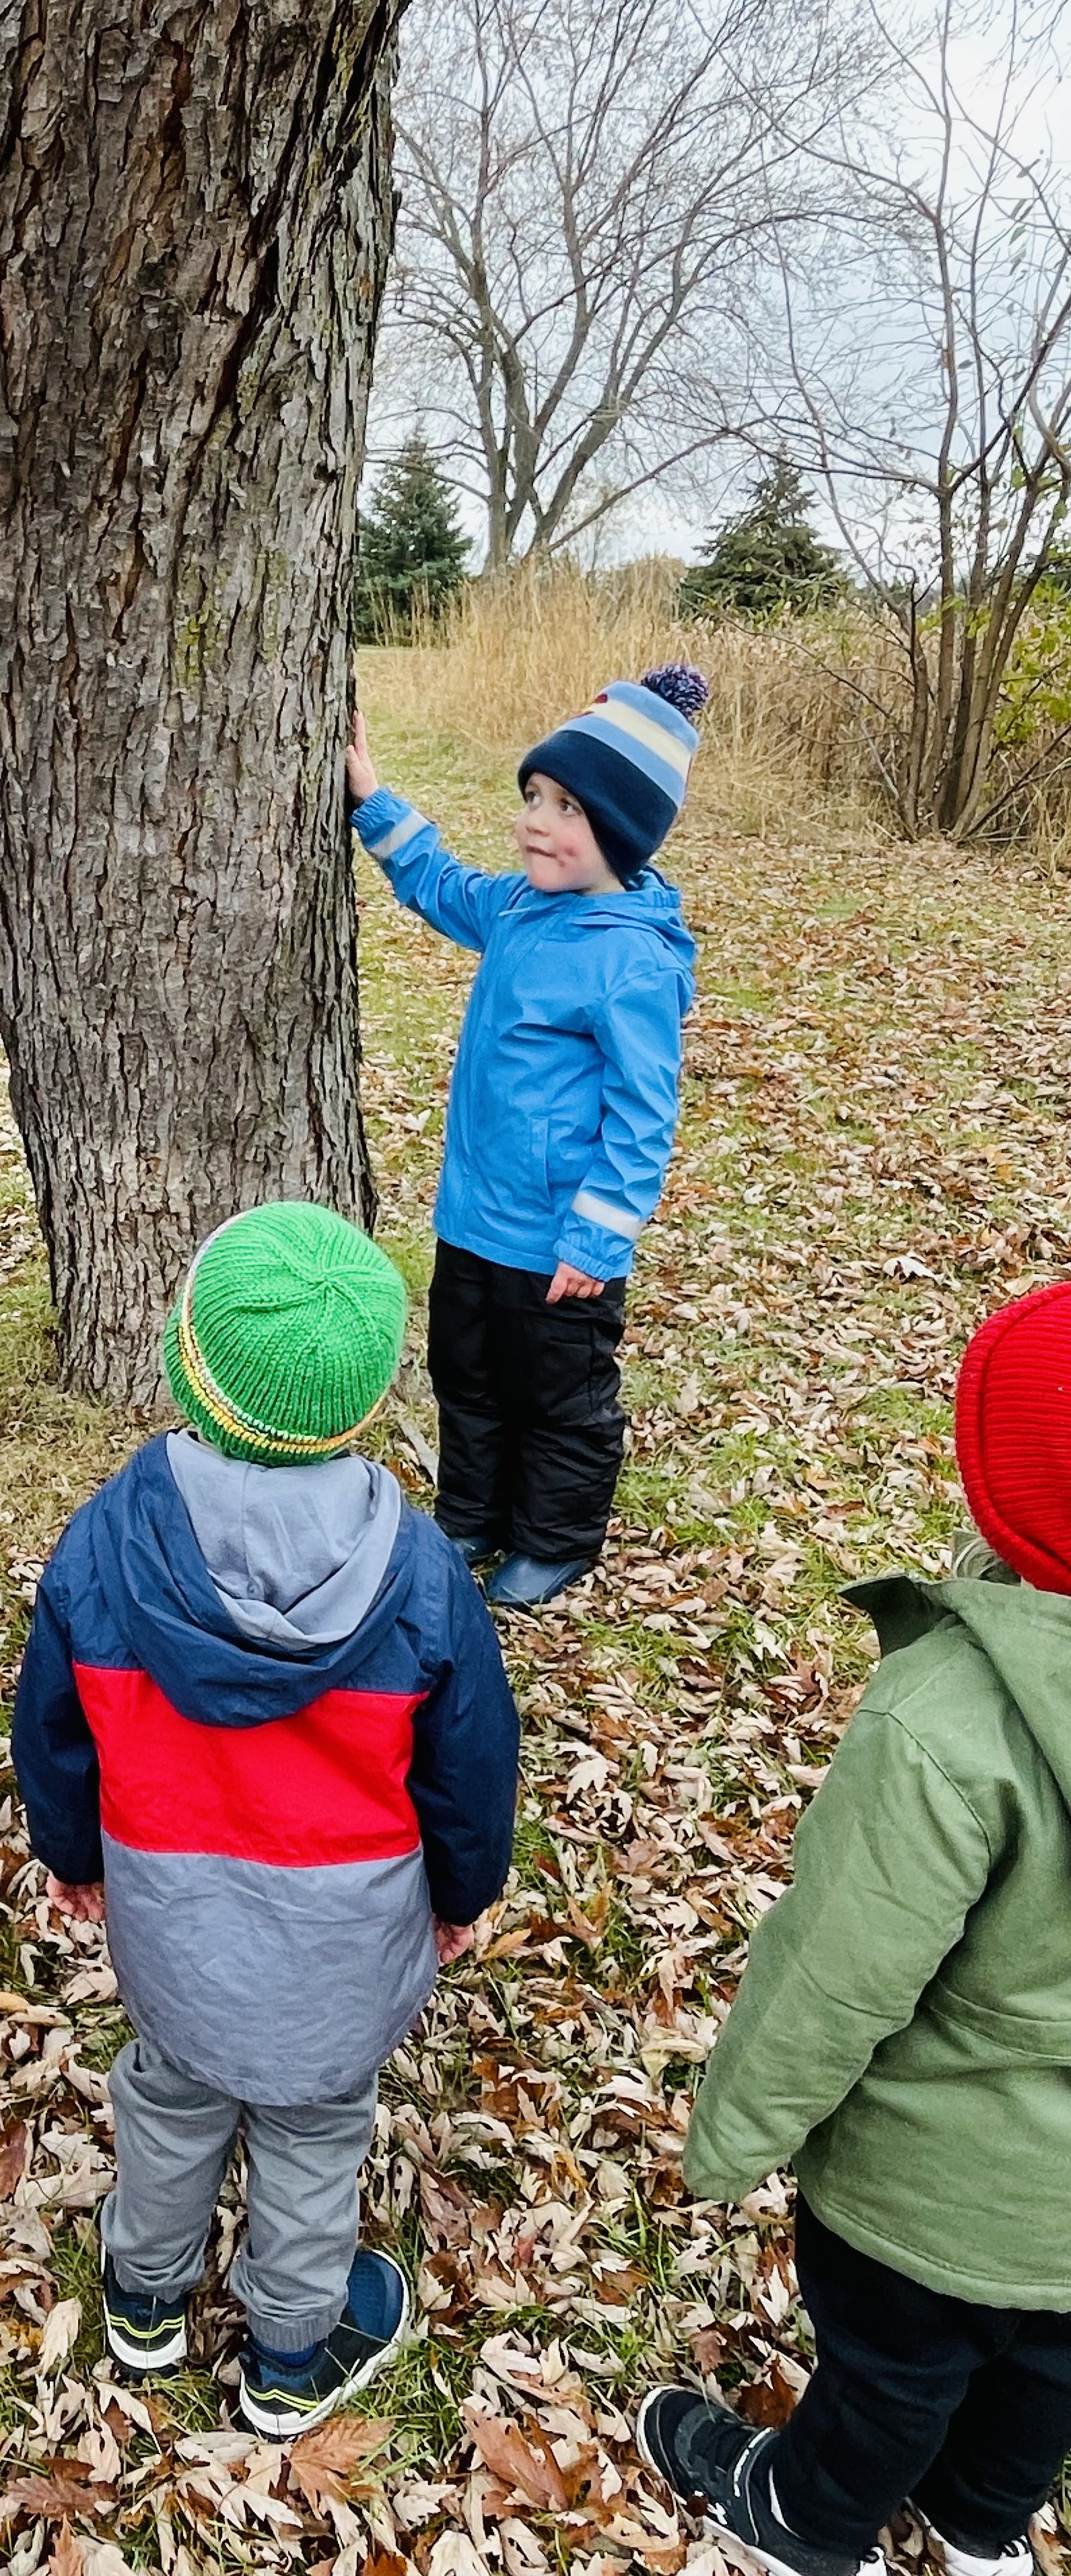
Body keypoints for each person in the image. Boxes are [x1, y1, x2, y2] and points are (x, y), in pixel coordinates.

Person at [10, 1204, 519, 2437]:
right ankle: (290, 2353)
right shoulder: (421, 1579)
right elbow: (468, 1769)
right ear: (360, 1404)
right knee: (311, 2132)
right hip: (340, 1947)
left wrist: (71, 1856)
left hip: (174, 1924)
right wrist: (460, 1895)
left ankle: (142, 2296)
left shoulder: (105, 1543)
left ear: (188, 1361)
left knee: (171, 2094)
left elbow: (52, 1727)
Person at [637, 1283, 1071, 2576]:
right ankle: (980, 2521)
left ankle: (807, 2517)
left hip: (932, 2185)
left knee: (894, 2369)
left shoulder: (942, 1721)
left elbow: (837, 1969)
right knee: (1045, 2373)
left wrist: (737, 2126)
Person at [344, 671, 705, 1608]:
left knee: (558, 1394)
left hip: (559, 1242)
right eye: (535, 798)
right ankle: (473, 1511)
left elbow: (643, 1115)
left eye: (568, 808)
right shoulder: (516, 907)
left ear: (621, 831)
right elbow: (437, 881)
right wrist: (369, 795)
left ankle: (555, 1537)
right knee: (464, 1371)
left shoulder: (631, 957)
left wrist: (598, 1233)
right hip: (475, 1217)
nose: (537, 823)